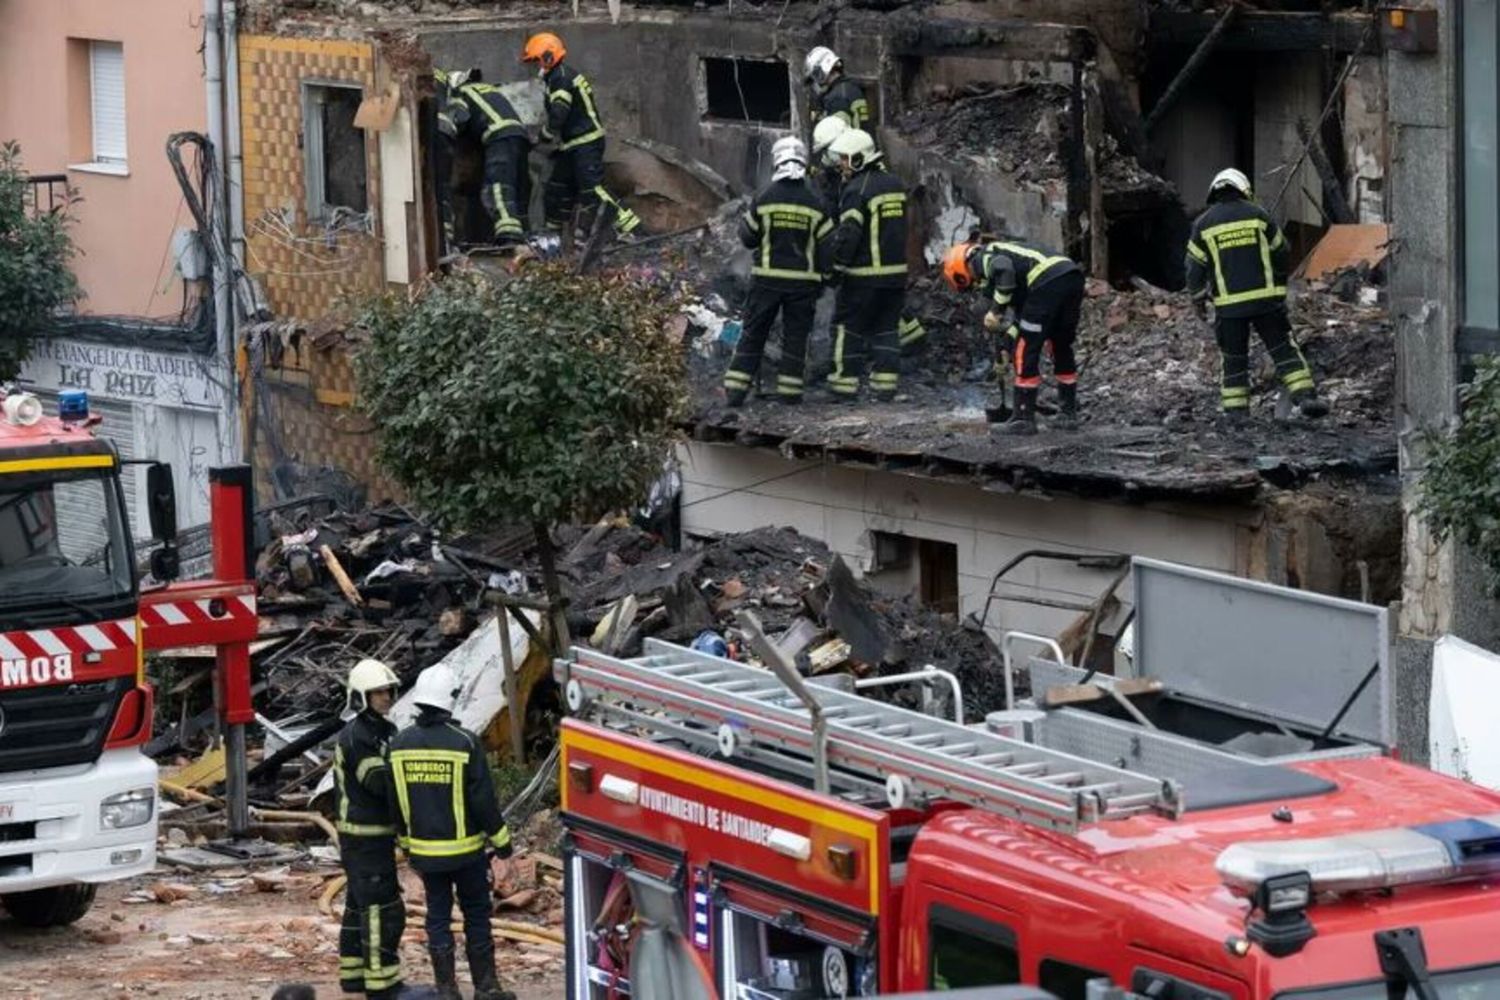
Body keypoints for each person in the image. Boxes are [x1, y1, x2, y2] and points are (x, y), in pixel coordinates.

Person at [390, 665, 516, 1000]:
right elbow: (483, 800)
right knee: (476, 914)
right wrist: (503, 845)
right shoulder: (464, 743)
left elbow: (395, 802)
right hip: (466, 855)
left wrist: (406, 845)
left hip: (425, 855)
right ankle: (486, 988)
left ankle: (446, 991)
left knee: (437, 918)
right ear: (450, 700)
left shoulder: (399, 745)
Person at [1185, 168, 1328, 421]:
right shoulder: (1258, 215)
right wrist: (1280, 286)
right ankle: (1305, 397)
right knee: (1284, 349)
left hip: (1229, 308)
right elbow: (1281, 250)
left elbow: (1194, 266)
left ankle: (1236, 413)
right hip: (1266, 302)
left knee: (1233, 359)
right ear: (1243, 189)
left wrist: (1197, 299)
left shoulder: (1203, 224)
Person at [723, 137, 832, 406]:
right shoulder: (815, 201)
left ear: (777, 160)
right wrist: (825, 279)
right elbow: (827, 248)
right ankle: (791, 393)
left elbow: (748, 238)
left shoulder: (765, 196)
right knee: (795, 339)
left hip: (767, 281)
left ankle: (736, 392)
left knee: (754, 333)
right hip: (803, 284)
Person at [334, 659, 417, 999]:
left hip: (373, 834)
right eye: (377, 692)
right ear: (360, 697)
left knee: (358, 905)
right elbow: (378, 782)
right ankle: (381, 983)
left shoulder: (384, 730)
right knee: (381, 909)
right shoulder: (357, 736)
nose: (385, 697)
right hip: (363, 835)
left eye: (387, 691)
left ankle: (353, 976)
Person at [942, 238, 1084, 435]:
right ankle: (1068, 414)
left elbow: (1004, 271)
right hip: (1070, 277)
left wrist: (996, 311)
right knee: (1060, 345)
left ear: (961, 273)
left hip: (1047, 281)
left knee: (1025, 349)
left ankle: (1023, 419)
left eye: (973, 283)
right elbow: (1023, 317)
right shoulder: (1016, 267)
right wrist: (1006, 344)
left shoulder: (982, 257)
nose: (978, 285)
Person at [810, 117, 926, 359]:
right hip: (886, 261)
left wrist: (836, 262)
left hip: (864, 254)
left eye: (830, 153)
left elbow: (848, 225)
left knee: (856, 311)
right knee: (885, 306)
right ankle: (906, 342)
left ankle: (845, 366)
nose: (827, 160)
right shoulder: (879, 179)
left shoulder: (857, 184)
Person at [520, 32, 640, 243]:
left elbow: (559, 112)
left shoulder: (561, 77)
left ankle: (632, 229)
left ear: (548, 56)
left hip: (585, 142)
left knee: (592, 189)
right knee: (557, 189)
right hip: (571, 145)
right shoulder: (559, 76)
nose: (535, 66)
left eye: (536, 60)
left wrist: (544, 136)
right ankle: (553, 238)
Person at [824, 128, 907, 402]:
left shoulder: (855, 190)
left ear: (859, 158)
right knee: (886, 329)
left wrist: (835, 268)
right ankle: (885, 388)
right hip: (895, 276)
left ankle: (842, 387)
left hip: (863, 276)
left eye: (845, 159)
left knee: (847, 328)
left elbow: (848, 234)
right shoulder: (895, 184)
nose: (842, 165)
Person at [439, 69, 531, 246]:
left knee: (498, 186)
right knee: (517, 188)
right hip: (520, 136)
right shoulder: (488, 90)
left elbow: (462, 117)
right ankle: (524, 235)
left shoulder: (463, 92)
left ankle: (509, 237)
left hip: (498, 136)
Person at [803, 46, 870, 131]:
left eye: (814, 76)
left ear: (821, 71)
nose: (814, 83)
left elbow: (836, 134)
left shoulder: (836, 98)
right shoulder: (852, 88)